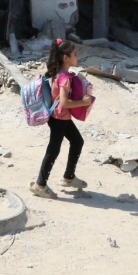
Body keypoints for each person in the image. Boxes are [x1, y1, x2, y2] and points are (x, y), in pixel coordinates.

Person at [31, 39, 95, 199]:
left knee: (77, 141)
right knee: (53, 150)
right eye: (74, 54)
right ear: (66, 58)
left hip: (57, 116)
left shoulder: (57, 72)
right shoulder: (65, 78)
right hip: (60, 117)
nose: (77, 56)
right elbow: (65, 102)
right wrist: (84, 102)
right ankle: (40, 184)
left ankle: (69, 177)